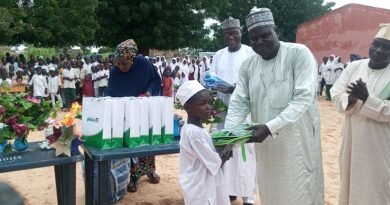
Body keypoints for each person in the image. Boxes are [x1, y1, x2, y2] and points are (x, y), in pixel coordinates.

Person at [225, 7, 324, 205]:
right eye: (254, 39)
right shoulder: (248, 65)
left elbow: (303, 99)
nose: (260, 42)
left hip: (296, 142)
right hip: (266, 145)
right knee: (271, 193)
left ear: (276, 32)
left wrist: (271, 127)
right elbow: (238, 102)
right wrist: (229, 135)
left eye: (265, 36)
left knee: (299, 193)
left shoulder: (299, 54)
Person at [330, 23, 390, 205]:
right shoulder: (354, 67)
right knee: (349, 184)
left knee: (376, 189)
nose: (379, 50)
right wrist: (352, 99)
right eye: (376, 44)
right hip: (351, 140)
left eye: (386, 48)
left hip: (380, 145)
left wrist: (368, 99)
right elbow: (336, 94)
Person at [104, 39, 161, 201]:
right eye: (118, 63)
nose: (121, 67)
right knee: (129, 144)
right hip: (122, 112)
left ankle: (148, 170)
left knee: (145, 142)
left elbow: (156, 80)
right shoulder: (115, 71)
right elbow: (110, 90)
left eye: (124, 64)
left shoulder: (144, 64)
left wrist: (149, 92)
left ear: (133, 59)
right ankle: (133, 177)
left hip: (142, 108)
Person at [211, 16, 257, 205]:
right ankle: (229, 191)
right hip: (222, 110)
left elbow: (256, 81)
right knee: (225, 149)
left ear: (241, 32)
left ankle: (248, 196)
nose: (231, 36)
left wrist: (235, 89)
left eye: (234, 32)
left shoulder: (251, 53)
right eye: (227, 33)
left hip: (244, 111)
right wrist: (214, 86)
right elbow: (211, 78)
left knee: (245, 151)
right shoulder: (219, 55)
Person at [176, 80, 231, 205]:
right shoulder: (195, 133)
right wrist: (225, 153)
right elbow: (214, 162)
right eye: (203, 103)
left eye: (210, 103)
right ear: (188, 107)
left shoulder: (194, 128)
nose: (209, 107)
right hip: (201, 186)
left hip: (202, 181)